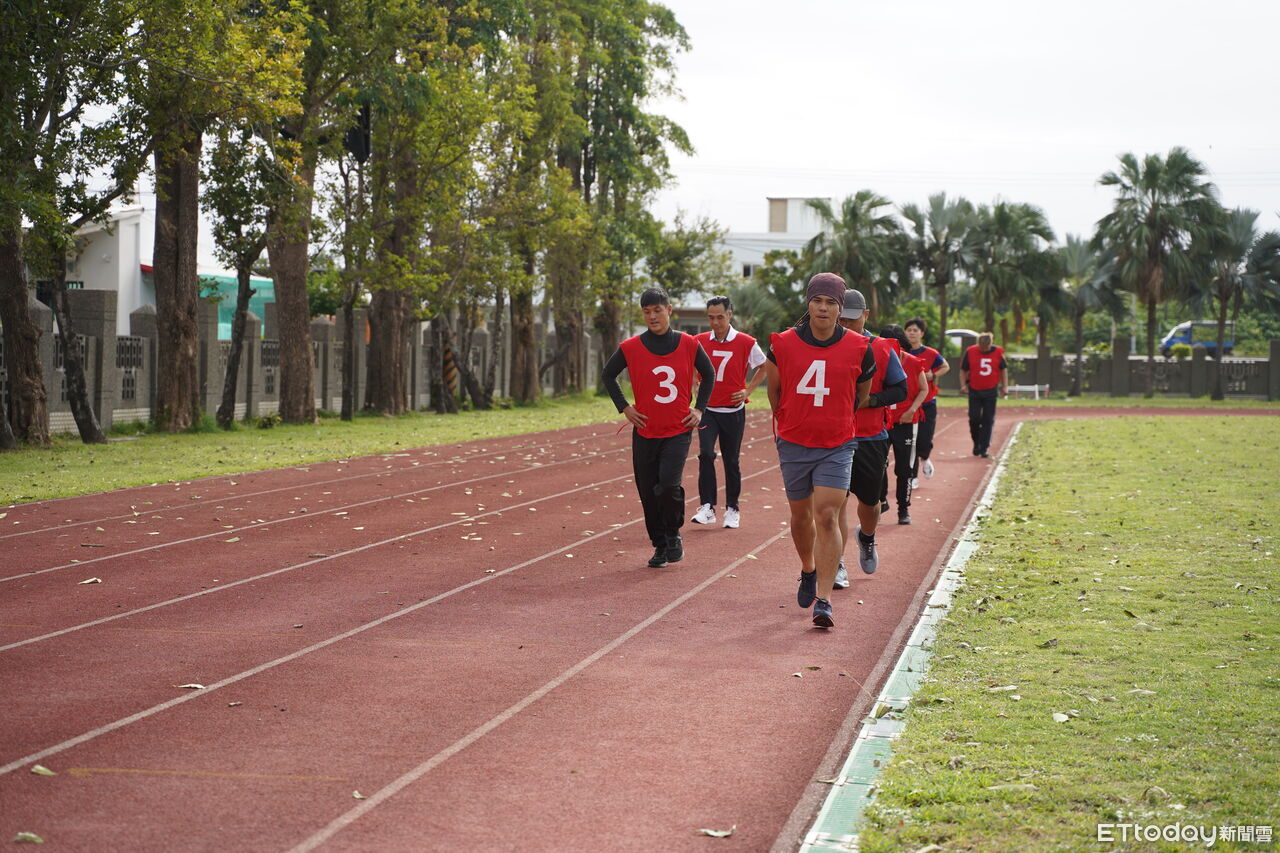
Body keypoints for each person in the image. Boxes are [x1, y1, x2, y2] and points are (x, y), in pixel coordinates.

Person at [761, 273, 875, 628]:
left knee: (826, 514)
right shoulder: (781, 344)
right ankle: (808, 569)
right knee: (800, 517)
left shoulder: (860, 347)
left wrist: (833, 420)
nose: (823, 308)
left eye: (831, 303)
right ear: (808, 303)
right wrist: (796, 419)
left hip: (838, 443)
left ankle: (823, 600)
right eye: (818, 301)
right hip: (794, 441)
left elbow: (861, 395)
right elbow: (774, 393)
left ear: (840, 308)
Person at [602, 287, 716, 568]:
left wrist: (699, 409)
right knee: (647, 492)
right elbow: (608, 374)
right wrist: (625, 408)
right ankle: (660, 545)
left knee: (667, 484)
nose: (652, 316)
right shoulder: (630, 347)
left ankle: (674, 534)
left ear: (669, 310)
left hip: (677, 430)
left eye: (657, 310)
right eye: (647, 311)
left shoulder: (689, 343)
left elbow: (709, 373)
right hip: (644, 431)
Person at [835, 290, 907, 583]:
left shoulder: (882, 349)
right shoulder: (825, 345)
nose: (846, 325)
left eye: (852, 320)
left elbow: (900, 390)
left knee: (870, 503)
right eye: (842, 319)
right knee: (834, 503)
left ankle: (866, 536)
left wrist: (870, 401)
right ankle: (836, 562)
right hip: (833, 437)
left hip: (870, 437)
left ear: (865, 316)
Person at [691, 296, 766, 530]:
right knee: (705, 454)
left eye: (720, 317)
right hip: (708, 411)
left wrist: (747, 390)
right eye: (710, 318)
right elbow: (687, 363)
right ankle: (707, 507)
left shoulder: (746, 342)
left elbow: (765, 366)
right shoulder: (699, 341)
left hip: (733, 412)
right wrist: (694, 380)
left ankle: (732, 508)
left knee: (731, 460)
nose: (715, 322)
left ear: (730, 315)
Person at [879, 325, 929, 525]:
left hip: (906, 422)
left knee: (905, 468)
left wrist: (912, 410)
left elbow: (924, 389)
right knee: (878, 466)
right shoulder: (875, 362)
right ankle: (881, 501)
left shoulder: (914, 362)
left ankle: (903, 508)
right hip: (882, 423)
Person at [903, 317, 948, 482]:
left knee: (924, 439)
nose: (912, 333)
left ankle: (926, 458)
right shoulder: (901, 352)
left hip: (927, 404)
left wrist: (933, 375)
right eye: (909, 330)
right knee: (911, 442)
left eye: (915, 330)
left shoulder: (930, 353)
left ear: (922, 333)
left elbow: (945, 366)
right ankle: (912, 476)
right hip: (907, 405)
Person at [959, 331, 1007, 457]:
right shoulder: (970, 351)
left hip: (991, 390)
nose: (983, 349)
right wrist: (963, 385)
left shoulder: (998, 352)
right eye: (981, 346)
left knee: (988, 419)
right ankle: (977, 442)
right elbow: (963, 370)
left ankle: (984, 447)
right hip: (974, 390)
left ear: (990, 344)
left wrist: (1005, 387)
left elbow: (1003, 369)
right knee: (974, 418)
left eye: (986, 347)